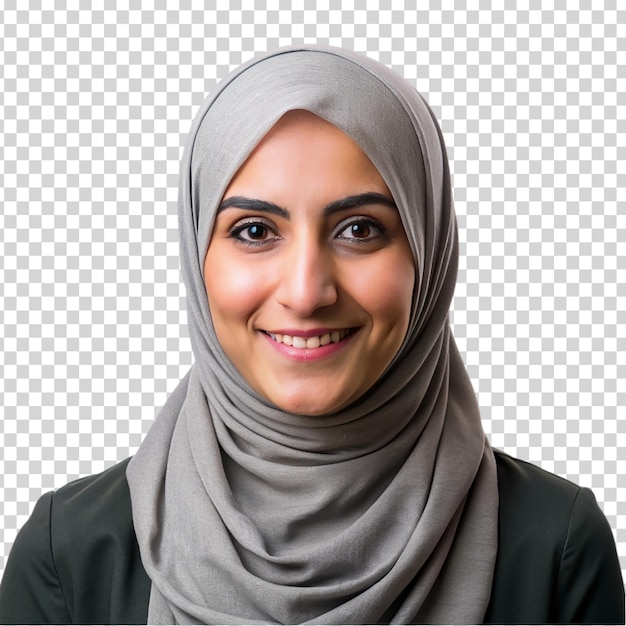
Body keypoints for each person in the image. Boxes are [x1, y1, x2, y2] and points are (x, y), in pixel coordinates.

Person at [0, 45, 623, 625]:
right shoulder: (72, 556)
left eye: (359, 229)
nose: (305, 291)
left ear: (429, 255)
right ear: (197, 257)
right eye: (253, 230)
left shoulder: (552, 549)